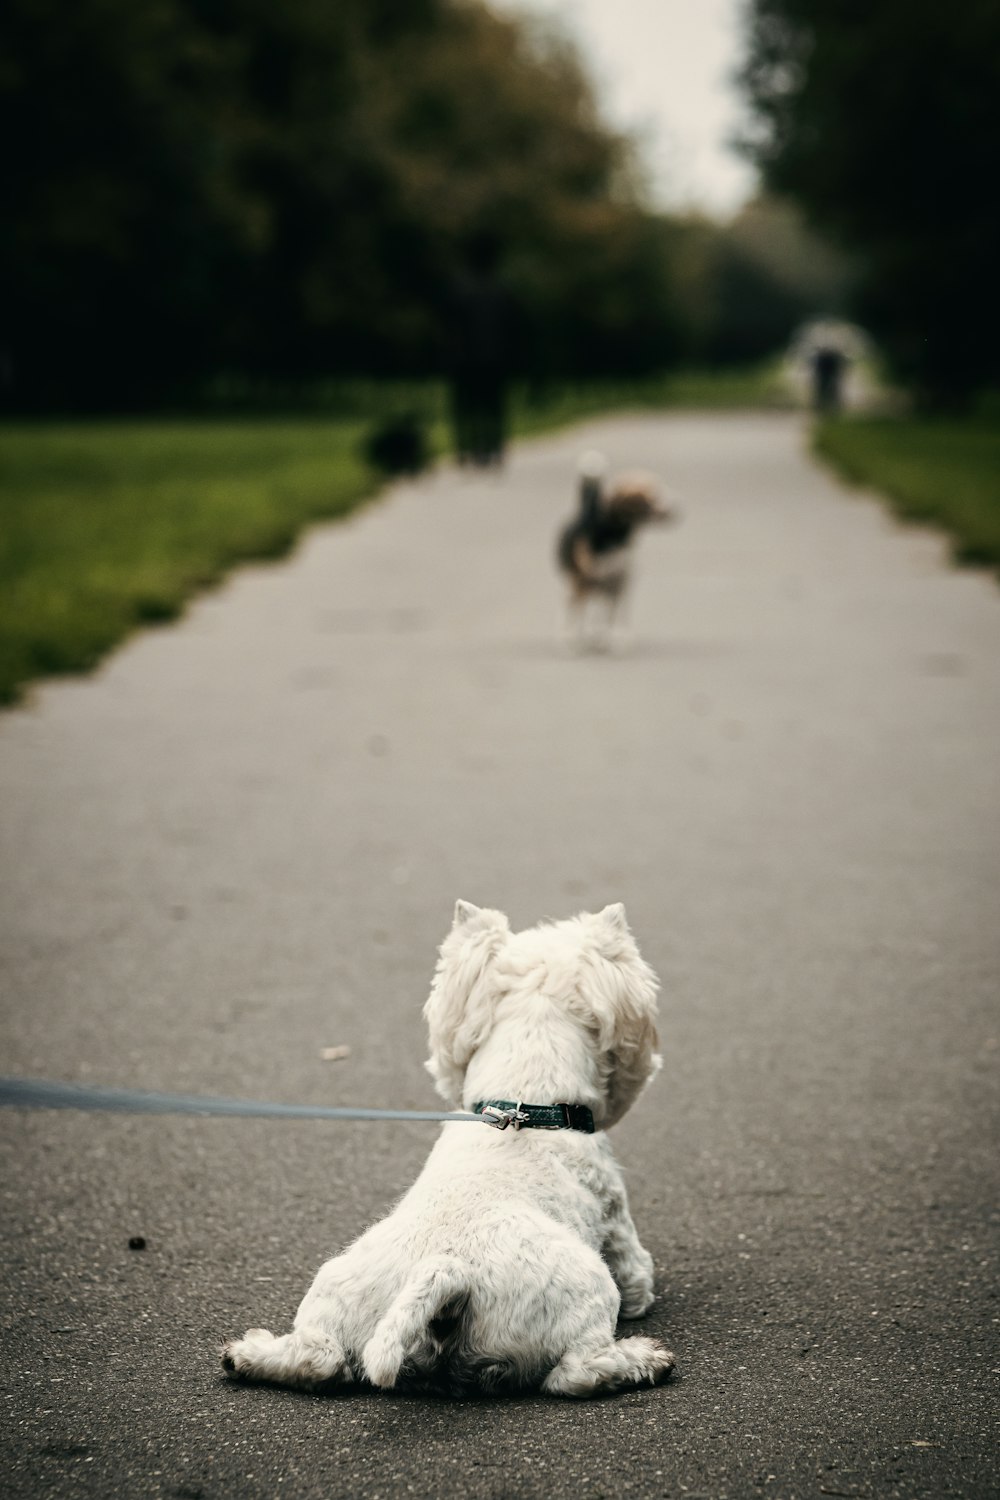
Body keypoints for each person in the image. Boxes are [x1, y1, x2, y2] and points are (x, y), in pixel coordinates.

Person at [447, 231, 515, 468]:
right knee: (490, 409)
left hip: (469, 361)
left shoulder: (463, 290)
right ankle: (489, 449)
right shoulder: (498, 291)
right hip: (491, 360)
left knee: (470, 409)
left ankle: (471, 449)